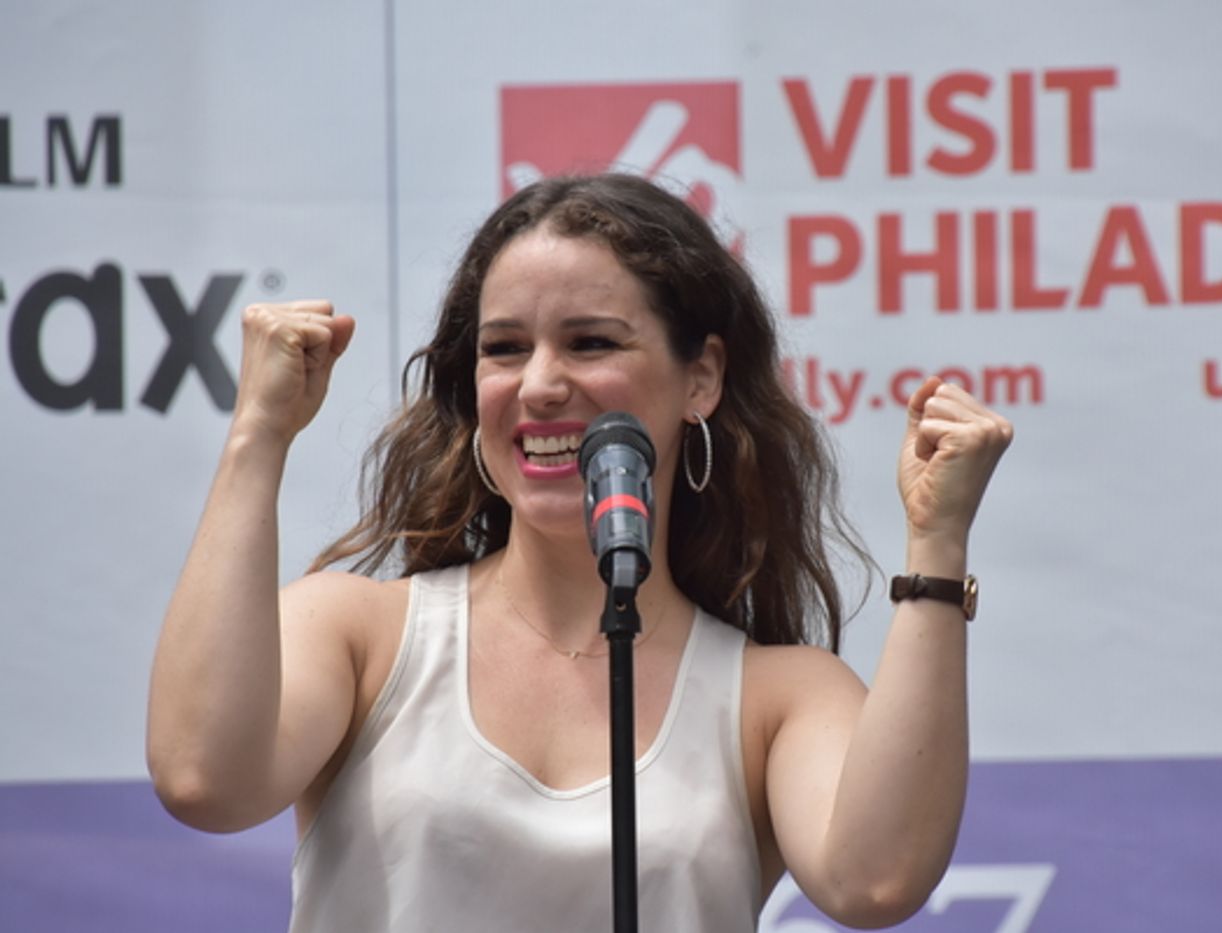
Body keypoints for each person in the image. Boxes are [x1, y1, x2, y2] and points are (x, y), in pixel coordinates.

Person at [146, 173, 1013, 931]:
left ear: (701, 377)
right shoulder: (360, 632)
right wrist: (258, 436)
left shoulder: (779, 696)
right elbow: (203, 778)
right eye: (504, 348)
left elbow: (876, 879)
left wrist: (937, 542)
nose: (540, 384)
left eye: (592, 342)